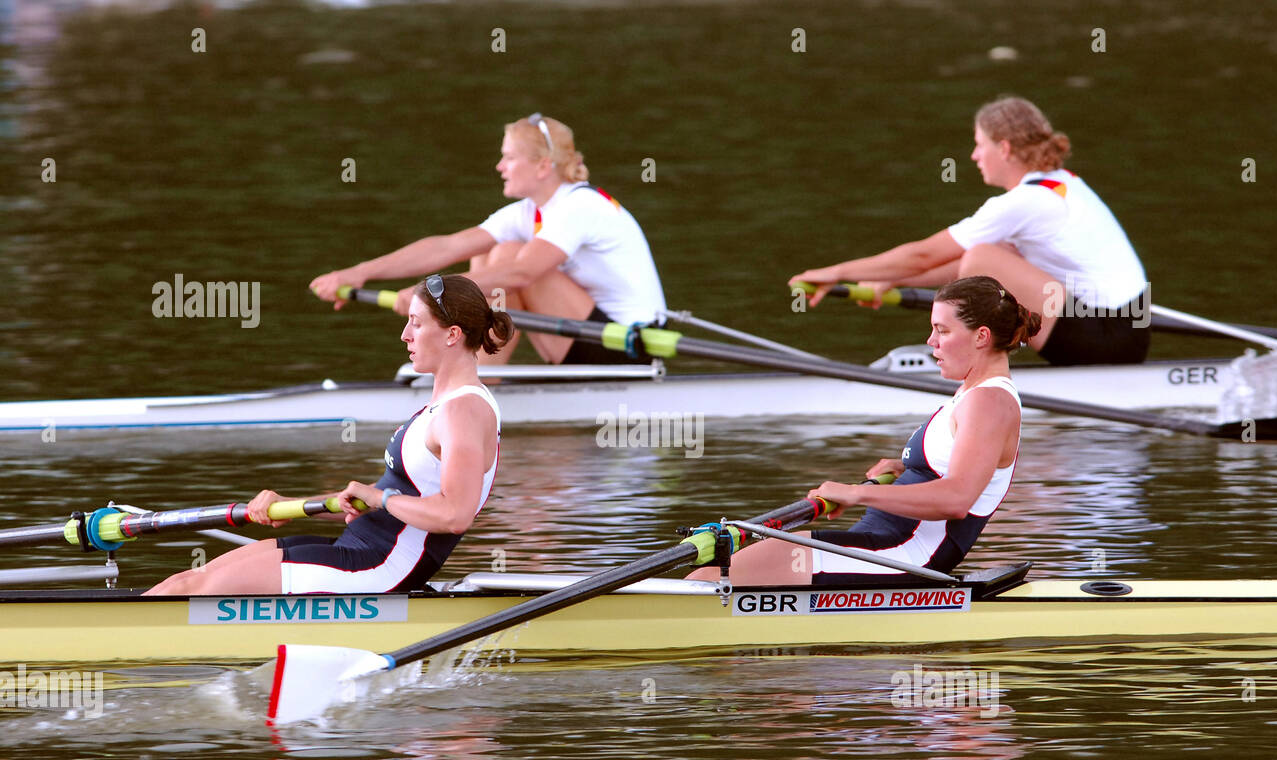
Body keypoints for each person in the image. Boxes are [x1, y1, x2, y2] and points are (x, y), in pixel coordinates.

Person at [147, 275, 509, 596]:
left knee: (191, 589)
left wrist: (380, 499)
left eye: (416, 323)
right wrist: (296, 503)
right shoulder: (442, 405)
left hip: (378, 570)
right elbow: (394, 499)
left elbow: (454, 514)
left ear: (452, 334)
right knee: (187, 580)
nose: (405, 335)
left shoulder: (465, 410)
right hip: (358, 549)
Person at [690, 276, 1034, 587]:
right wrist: (908, 468)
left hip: (904, 557)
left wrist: (857, 493)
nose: (931, 341)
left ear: (982, 337)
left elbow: (957, 499)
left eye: (942, 330)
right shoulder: (975, 393)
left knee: (710, 580)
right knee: (714, 575)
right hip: (882, 545)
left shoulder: (989, 401)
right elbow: (961, 465)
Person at [790, 96, 1148, 366]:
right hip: (1130, 328)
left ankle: (968, 369)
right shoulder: (1062, 183)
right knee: (986, 256)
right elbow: (958, 264)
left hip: (1106, 339)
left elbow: (923, 255)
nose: (975, 155)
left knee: (982, 256)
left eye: (980, 144)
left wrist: (834, 272)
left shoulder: (1023, 202)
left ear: (1004, 148)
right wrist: (892, 281)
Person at [310, 114, 666, 366]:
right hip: (590, 337)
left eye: (509, 157)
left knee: (512, 263)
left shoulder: (580, 207)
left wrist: (429, 292)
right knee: (493, 253)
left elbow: (521, 275)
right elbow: (447, 246)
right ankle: (475, 377)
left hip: (631, 346)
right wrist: (359, 272)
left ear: (543, 166)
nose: (500, 166)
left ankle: (477, 381)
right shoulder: (528, 212)